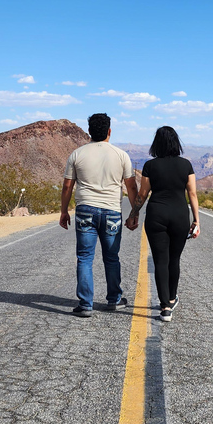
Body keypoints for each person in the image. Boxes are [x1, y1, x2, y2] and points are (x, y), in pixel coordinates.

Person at [60, 113, 138, 317]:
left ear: (89, 132)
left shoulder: (77, 154)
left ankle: (85, 304)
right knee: (111, 257)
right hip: (112, 210)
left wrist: (63, 211)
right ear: (109, 131)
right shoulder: (121, 155)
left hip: (85, 210)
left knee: (85, 257)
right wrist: (134, 213)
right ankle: (114, 299)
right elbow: (131, 187)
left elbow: (68, 186)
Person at [125, 126, 199, 322]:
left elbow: (142, 195)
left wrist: (133, 214)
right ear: (176, 143)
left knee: (160, 260)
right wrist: (196, 221)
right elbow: (192, 194)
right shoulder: (186, 165)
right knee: (174, 259)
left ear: (156, 143)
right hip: (179, 216)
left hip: (156, 215)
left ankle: (165, 306)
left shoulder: (150, 166)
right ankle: (172, 298)